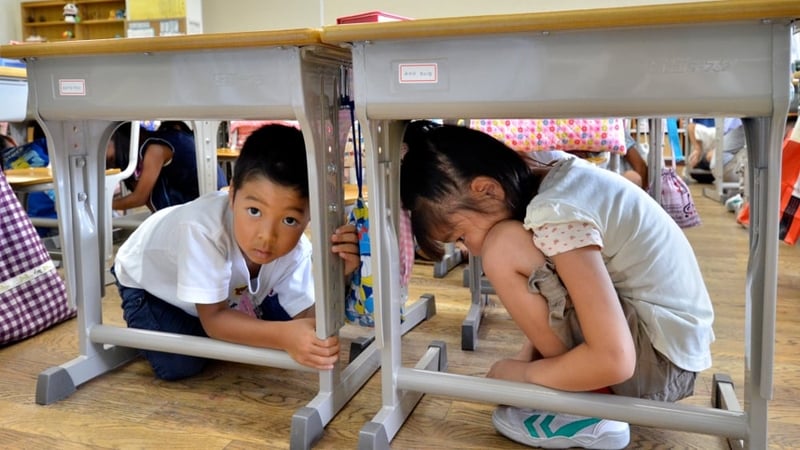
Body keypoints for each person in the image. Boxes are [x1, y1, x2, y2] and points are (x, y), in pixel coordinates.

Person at [400, 120, 714, 449]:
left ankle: (588, 408)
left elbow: (616, 359)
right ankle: (579, 388)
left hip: (657, 363)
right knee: (506, 246)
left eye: (461, 236)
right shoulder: (557, 175)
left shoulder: (556, 211)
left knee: (501, 248)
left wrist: (524, 375)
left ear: (487, 189)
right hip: (667, 349)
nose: (470, 250)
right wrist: (527, 360)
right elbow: (568, 298)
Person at [110, 124, 360, 380]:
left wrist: (339, 277)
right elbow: (215, 319)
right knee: (180, 363)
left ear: (309, 217)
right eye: (254, 211)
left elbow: (306, 317)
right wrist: (283, 335)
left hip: (223, 298)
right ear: (231, 195)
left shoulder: (295, 250)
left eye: (289, 220)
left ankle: (227, 317)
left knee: (271, 323)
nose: (267, 236)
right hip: (148, 285)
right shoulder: (203, 230)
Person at [106, 121, 228, 212]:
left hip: (206, 203)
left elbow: (140, 198)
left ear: (120, 139)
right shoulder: (166, 138)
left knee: (149, 185)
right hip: (213, 198)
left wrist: (105, 206)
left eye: (106, 143)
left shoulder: (155, 149)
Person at [685, 118, 746, 184]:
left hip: (727, 136)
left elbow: (691, 127)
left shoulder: (713, 135)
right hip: (735, 137)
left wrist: (697, 149)